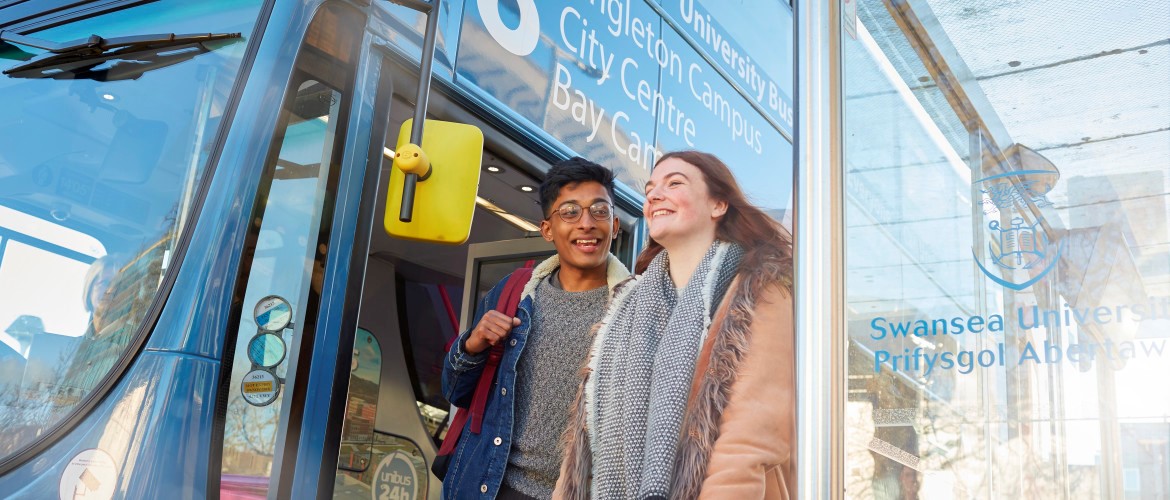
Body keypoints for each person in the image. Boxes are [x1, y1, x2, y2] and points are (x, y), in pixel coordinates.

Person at [555, 151, 796, 499]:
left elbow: (748, 444)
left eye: (675, 183)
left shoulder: (761, 292)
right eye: (651, 188)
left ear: (718, 205)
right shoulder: (626, 308)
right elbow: (583, 447)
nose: (653, 195)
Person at [441, 157, 630, 500]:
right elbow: (455, 392)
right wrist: (471, 345)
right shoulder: (514, 292)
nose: (586, 224)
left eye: (599, 211)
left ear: (614, 225)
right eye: (570, 212)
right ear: (547, 229)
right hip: (489, 486)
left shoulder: (634, 310)